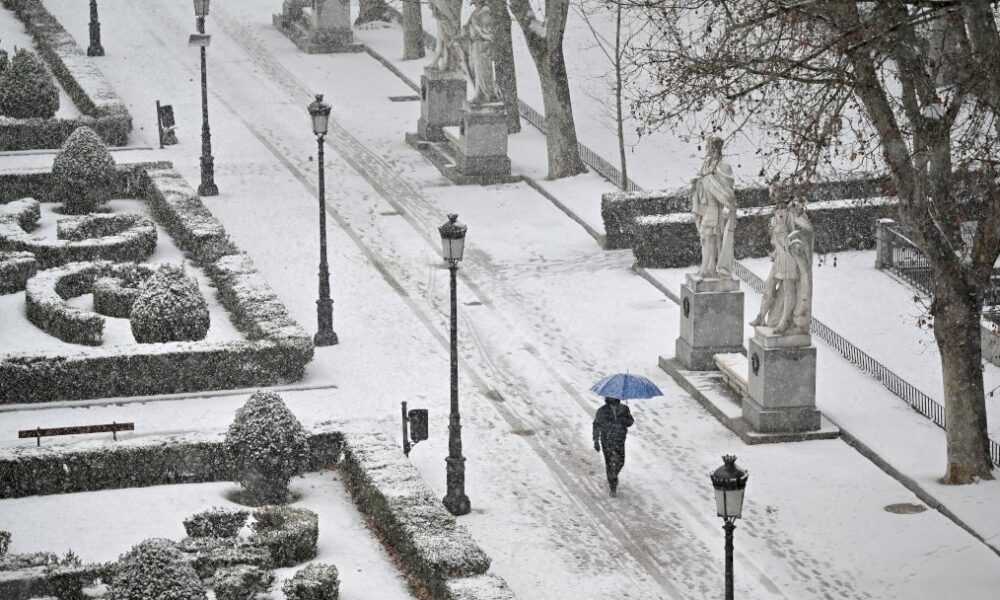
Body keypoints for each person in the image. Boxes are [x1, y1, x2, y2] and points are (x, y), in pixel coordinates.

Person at [690, 136, 737, 279]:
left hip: (717, 209)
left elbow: (727, 191)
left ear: (715, 148)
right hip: (706, 206)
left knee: (709, 238)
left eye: (709, 146)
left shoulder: (723, 166)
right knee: (708, 239)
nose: (706, 148)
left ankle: (705, 270)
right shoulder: (707, 164)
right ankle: (709, 268)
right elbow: (703, 180)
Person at [593, 397, 634, 497]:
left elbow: (630, 422)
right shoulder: (602, 411)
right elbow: (596, 425)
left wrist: (626, 420)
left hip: (619, 439)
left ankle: (613, 475)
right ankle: (613, 485)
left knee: (621, 461)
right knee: (610, 462)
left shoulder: (624, 409)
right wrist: (596, 440)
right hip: (607, 440)